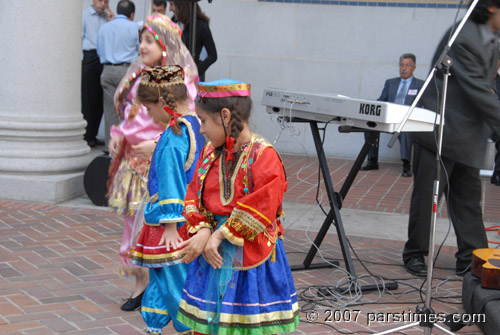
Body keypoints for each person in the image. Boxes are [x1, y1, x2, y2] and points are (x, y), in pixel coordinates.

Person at [176, 80, 300, 334]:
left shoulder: (263, 155)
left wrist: (220, 233)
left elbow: (265, 204)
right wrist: (201, 230)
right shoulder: (210, 152)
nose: (200, 130)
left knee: (244, 325)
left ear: (224, 116)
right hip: (215, 254)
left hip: (250, 257)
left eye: (203, 121)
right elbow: (193, 193)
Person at [107, 14, 198, 312]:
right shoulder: (139, 77)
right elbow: (130, 118)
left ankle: (167, 286)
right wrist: (118, 135)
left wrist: (157, 145)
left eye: (149, 41)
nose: (143, 47)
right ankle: (141, 284)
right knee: (133, 226)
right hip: (134, 164)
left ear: (166, 45)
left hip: (160, 165)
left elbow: (188, 126)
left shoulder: (180, 83)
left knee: (160, 224)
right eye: (141, 41)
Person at [403, 0, 500, 277]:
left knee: (468, 199)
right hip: (441, 131)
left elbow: (488, 85)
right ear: (492, 7)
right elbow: (478, 90)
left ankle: (471, 258)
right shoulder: (464, 36)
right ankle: (414, 253)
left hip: (468, 136)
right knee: (428, 197)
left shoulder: (491, 37)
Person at [130, 65, 204, 335]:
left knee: (175, 284)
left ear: (163, 102)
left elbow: (172, 180)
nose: (150, 116)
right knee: (161, 279)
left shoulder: (174, 136)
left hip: (170, 227)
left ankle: (189, 328)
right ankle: (154, 326)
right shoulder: (194, 125)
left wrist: (171, 224)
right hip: (185, 218)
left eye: (149, 110)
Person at [361, 53, 425, 177]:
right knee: (369, 125)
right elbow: (382, 100)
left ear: (414, 68)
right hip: (389, 118)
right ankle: (372, 161)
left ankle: (406, 165)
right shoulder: (390, 83)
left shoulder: (420, 85)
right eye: (401, 65)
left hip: (407, 120)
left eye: (407, 65)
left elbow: (422, 105)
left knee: (406, 130)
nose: (404, 68)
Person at [97, 0, 140, 147]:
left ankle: (113, 149)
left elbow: (99, 51)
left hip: (107, 70)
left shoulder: (104, 28)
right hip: (126, 71)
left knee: (110, 111)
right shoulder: (135, 28)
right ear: (132, 14)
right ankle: (129, 146)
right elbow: (140, 51)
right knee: (130, 108)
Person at [82, 0, 114, 148]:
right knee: (89, 99)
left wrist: (112, 22)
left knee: (101, 99)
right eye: (101, 1)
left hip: (105, 58)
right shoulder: (84, 16)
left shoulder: (108, 18)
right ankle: (87, 135)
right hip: (90, 57)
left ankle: (93, 134)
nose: (103, 4)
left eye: (106, 2)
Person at [169, 1, 217, 81]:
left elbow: (213, 55)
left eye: (171, 5)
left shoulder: (201, 26)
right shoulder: (172, 22)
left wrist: (196, 71)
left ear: (181, 6)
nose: (170, 9)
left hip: (189, 79)